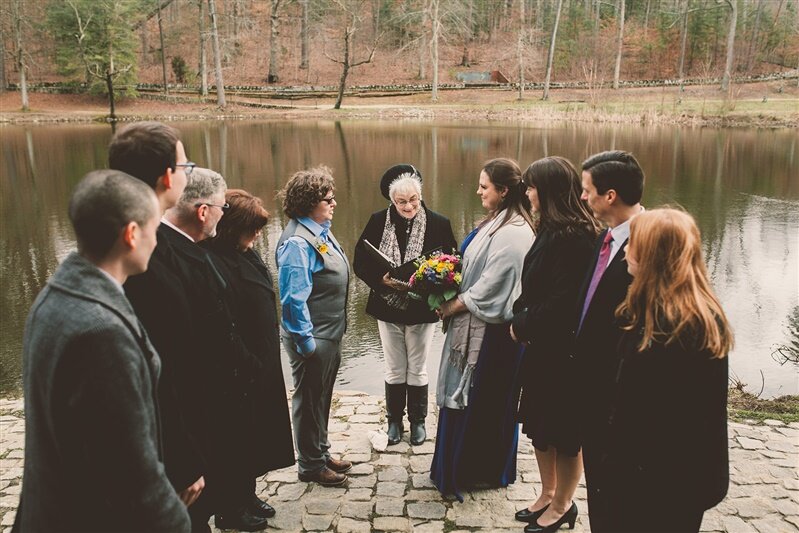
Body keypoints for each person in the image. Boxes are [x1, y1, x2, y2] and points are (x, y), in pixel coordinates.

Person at [14, 170, 190, 532]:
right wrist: (175, 518)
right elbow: (129, 467)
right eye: (153, 229)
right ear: (131, 234)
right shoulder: (101, 333)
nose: (156, 242)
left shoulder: (55, 295)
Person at [603, 208, 732, 532]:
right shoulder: (699, 309)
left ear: (652, 256)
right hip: (686, 476)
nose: (625, 253)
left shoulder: (669, 330)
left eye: (634, 245)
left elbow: (645, 416)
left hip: (659, 481)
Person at [430, 158, 535, 502]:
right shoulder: (496, 222)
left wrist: (451, 306)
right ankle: (456, 465)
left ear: (503, 191)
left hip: (494, 339)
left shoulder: (516, 232)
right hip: (477, 329)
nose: (478, 191)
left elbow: (490, 289)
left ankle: (477, 471)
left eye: (484, 186)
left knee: (484, 403)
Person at [510, 157, 601, 533]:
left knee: (564, 432)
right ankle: (547, 492)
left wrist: (524, 323)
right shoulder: (548, 227)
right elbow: (532, 285)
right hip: (540, 348)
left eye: (531, 187)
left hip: (564, 352)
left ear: (547, 191)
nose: (527, 193)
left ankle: (564, 504)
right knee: (539, 424)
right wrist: (520, 315)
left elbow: (565, 301)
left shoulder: (578, 236)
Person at [202, 189, 295, 522]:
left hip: (261, 363)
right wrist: (248, 361)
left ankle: (247, 495)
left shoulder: (246, 251)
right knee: (233, 441)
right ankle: (229, 509)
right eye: (252, 227)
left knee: (254, 435)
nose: (258, 234)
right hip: (238, 368)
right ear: (231, 227)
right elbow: (220, 322)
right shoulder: (212, 260)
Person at [353, 164, 457, 446]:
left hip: (422, 307)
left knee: (418, 366)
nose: (409, 206)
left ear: (420, 196)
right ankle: (394, 422)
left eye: (413, 200)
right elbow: (360, 261)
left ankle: (419, 421)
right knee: (394, 366)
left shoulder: (439, 223)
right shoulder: (377, 221)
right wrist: (381, 279)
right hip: (386, 304)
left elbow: (454, 266)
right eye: (401, 202)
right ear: (391, 200)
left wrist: (434, 284)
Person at [571, 150, 645, 532]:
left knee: (619, 490)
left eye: (587, 191)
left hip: (618, 394)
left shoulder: (649, 247)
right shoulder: (605, 237)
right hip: (590, 386)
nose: (583, 198)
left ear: (610, 195)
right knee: (598, 483)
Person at [276, 166, 353, 487]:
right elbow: (293, 300)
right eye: (327, 199)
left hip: (329, 333)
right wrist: (307, 344)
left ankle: (321, 451)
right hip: (313, 338)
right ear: (309, 203)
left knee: (321, 397)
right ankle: (309, 465)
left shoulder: (320, 229)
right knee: (308, 402)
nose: (334, 203)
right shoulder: (297, 243)